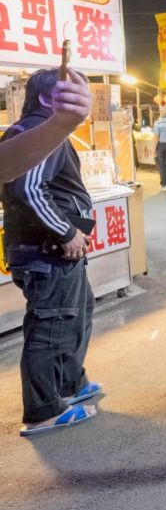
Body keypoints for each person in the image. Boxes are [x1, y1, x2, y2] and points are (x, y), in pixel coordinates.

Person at [2, 70, 100, 437]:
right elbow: (28, 189)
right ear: (47, 99)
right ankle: (43, 409)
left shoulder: (38, 131)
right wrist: (67, 232)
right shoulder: (40, 133)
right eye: (74, 92)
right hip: (47, 250)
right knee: (50, 326)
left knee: (76, 313)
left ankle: (70, 384)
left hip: (56, 251)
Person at [0, 68, 92, 184]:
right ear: (44, 100)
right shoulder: (43, 130)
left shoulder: (28, 125)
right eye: (67, 94)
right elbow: (27, 189)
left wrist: (64, 125)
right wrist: (61, 125)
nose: (77, 100)